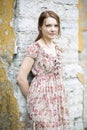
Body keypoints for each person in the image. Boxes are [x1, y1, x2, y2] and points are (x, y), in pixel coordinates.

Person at [17, 10, 69, 130]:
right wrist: (32, 99)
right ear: (40, 27)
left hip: (58, 98)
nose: (53, 29)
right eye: (48, 25)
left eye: (56, 25)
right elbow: (21, 78)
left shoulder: (58, 48)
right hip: (41, 99)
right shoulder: (35, 48)